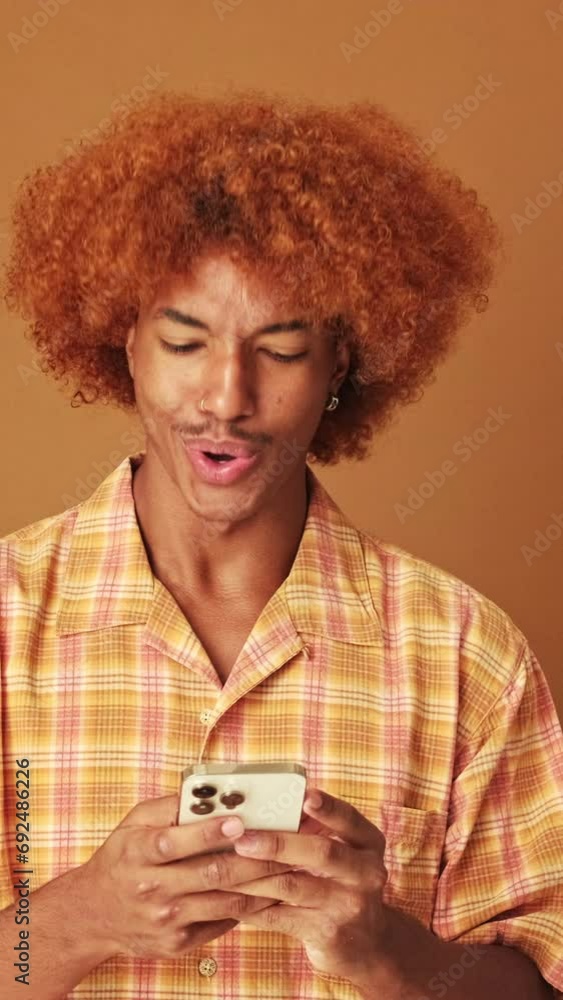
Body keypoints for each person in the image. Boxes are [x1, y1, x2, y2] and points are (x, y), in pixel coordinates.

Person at [0, 88, 561, 1000]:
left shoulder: (466, 655)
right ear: (124, 341)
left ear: (341, 362)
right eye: (185, 340)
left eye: (283, 350)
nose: (227, 397)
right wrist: (81, 918)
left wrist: (388, 950)